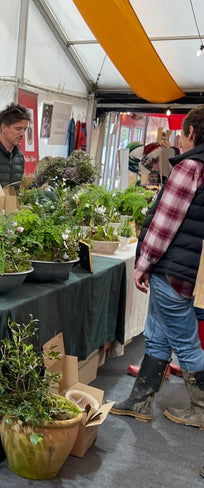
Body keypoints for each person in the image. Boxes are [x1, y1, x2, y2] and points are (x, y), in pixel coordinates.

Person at [111, 105, 204, 428]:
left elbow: (165, 223)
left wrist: (143, 263)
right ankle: (140, 401)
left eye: (182, 130)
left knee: (186, 342)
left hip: (173, 269)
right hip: (188, 269)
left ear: (191, 133)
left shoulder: (190, 166)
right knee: (157, 335)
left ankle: (202, 407)